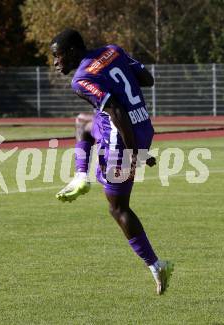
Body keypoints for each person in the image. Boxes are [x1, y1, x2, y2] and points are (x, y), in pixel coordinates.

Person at [50, 28, 173, 295]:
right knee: (82, 124)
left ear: (72, 52)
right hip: (142, 126)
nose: (56, 62)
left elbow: (116, 110)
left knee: (118, 208)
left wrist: (134, 154)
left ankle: (156, 265)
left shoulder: (81, 79)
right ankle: (82, 176)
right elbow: (146, 79)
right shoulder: (112, 50)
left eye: (58, 56)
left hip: (121, 138)